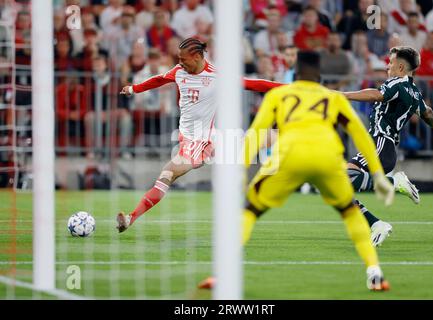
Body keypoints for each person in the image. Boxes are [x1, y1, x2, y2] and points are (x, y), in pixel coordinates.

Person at [199, 51, 394, 291]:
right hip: (327, 160)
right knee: (349, 212)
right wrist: (376, 174)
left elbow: (255, 134)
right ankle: (375, 273)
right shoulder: (333, 98)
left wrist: (240, 170)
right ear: (319, 75)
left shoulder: (280, 94)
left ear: (296, 73)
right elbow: (360, 135)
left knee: (250, 210)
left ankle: (223, 275)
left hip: (289, 158)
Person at [116, 38, 282, 232]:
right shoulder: (178, 72)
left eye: (183, 58)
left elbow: (254, 84)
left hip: (200, 143)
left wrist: (289, 88)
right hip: (197, 139)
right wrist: (134, 89)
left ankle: (130, 218)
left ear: (197, 57)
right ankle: (289, 134)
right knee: (250, 142)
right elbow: (159, 79)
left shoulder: (216, 76)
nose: (179, 62)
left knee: (166, 175)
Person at [342, 46, 433, 246]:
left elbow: (375, 95)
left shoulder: (396, 84)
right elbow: (427, 112)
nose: (387, 67)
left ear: (400, 67)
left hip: (380, 143)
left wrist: (343, 95)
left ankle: (395, 183)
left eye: (390, 63)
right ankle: (377, 224)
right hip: (385, 147)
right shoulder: (414, 92)